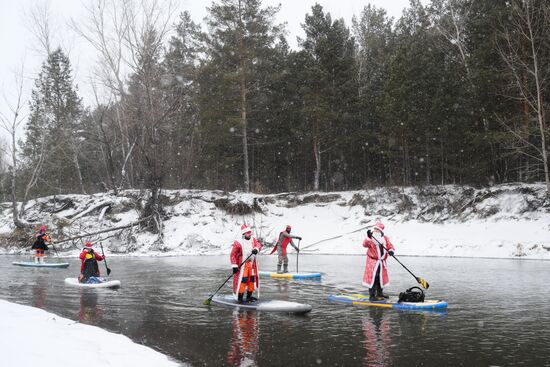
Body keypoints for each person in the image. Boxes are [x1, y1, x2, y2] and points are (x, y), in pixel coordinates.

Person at [362, 221, 395, 301]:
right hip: (372, 262)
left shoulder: (385, 238)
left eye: (377, 229)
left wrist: (391, 251)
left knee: (381, 278)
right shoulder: (371, 238)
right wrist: (368, 237)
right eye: (375, 229)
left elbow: (390, 246)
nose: (376, 230)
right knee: (373, 278)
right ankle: (372, 296)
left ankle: (380, 294)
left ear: (381, 231)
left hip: (381, 262)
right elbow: (365, 244)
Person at [230, 224, 262, 304]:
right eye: (248, 233)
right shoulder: (238, 242)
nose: (250, 234)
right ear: (244, 234)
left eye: (250, 232)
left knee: (251, 280)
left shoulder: (253, 239)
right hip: (242, 265)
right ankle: (240, 297)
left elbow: (259, 245)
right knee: (243, 281)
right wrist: (234, 266)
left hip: (251, 264)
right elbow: (233, 255)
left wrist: (256, 249)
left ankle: (249, 297)